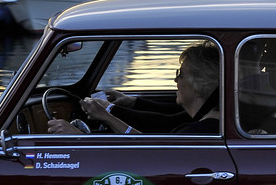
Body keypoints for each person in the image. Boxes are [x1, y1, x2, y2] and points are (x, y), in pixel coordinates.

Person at [48, 41, 220, 134]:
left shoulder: (194, 133)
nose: (175, 80)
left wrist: (81, 138)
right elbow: (168, 118)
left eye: (180, 74)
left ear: (199, 85)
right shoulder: (206, 119)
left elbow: (149, 155)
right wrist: (131, 102)